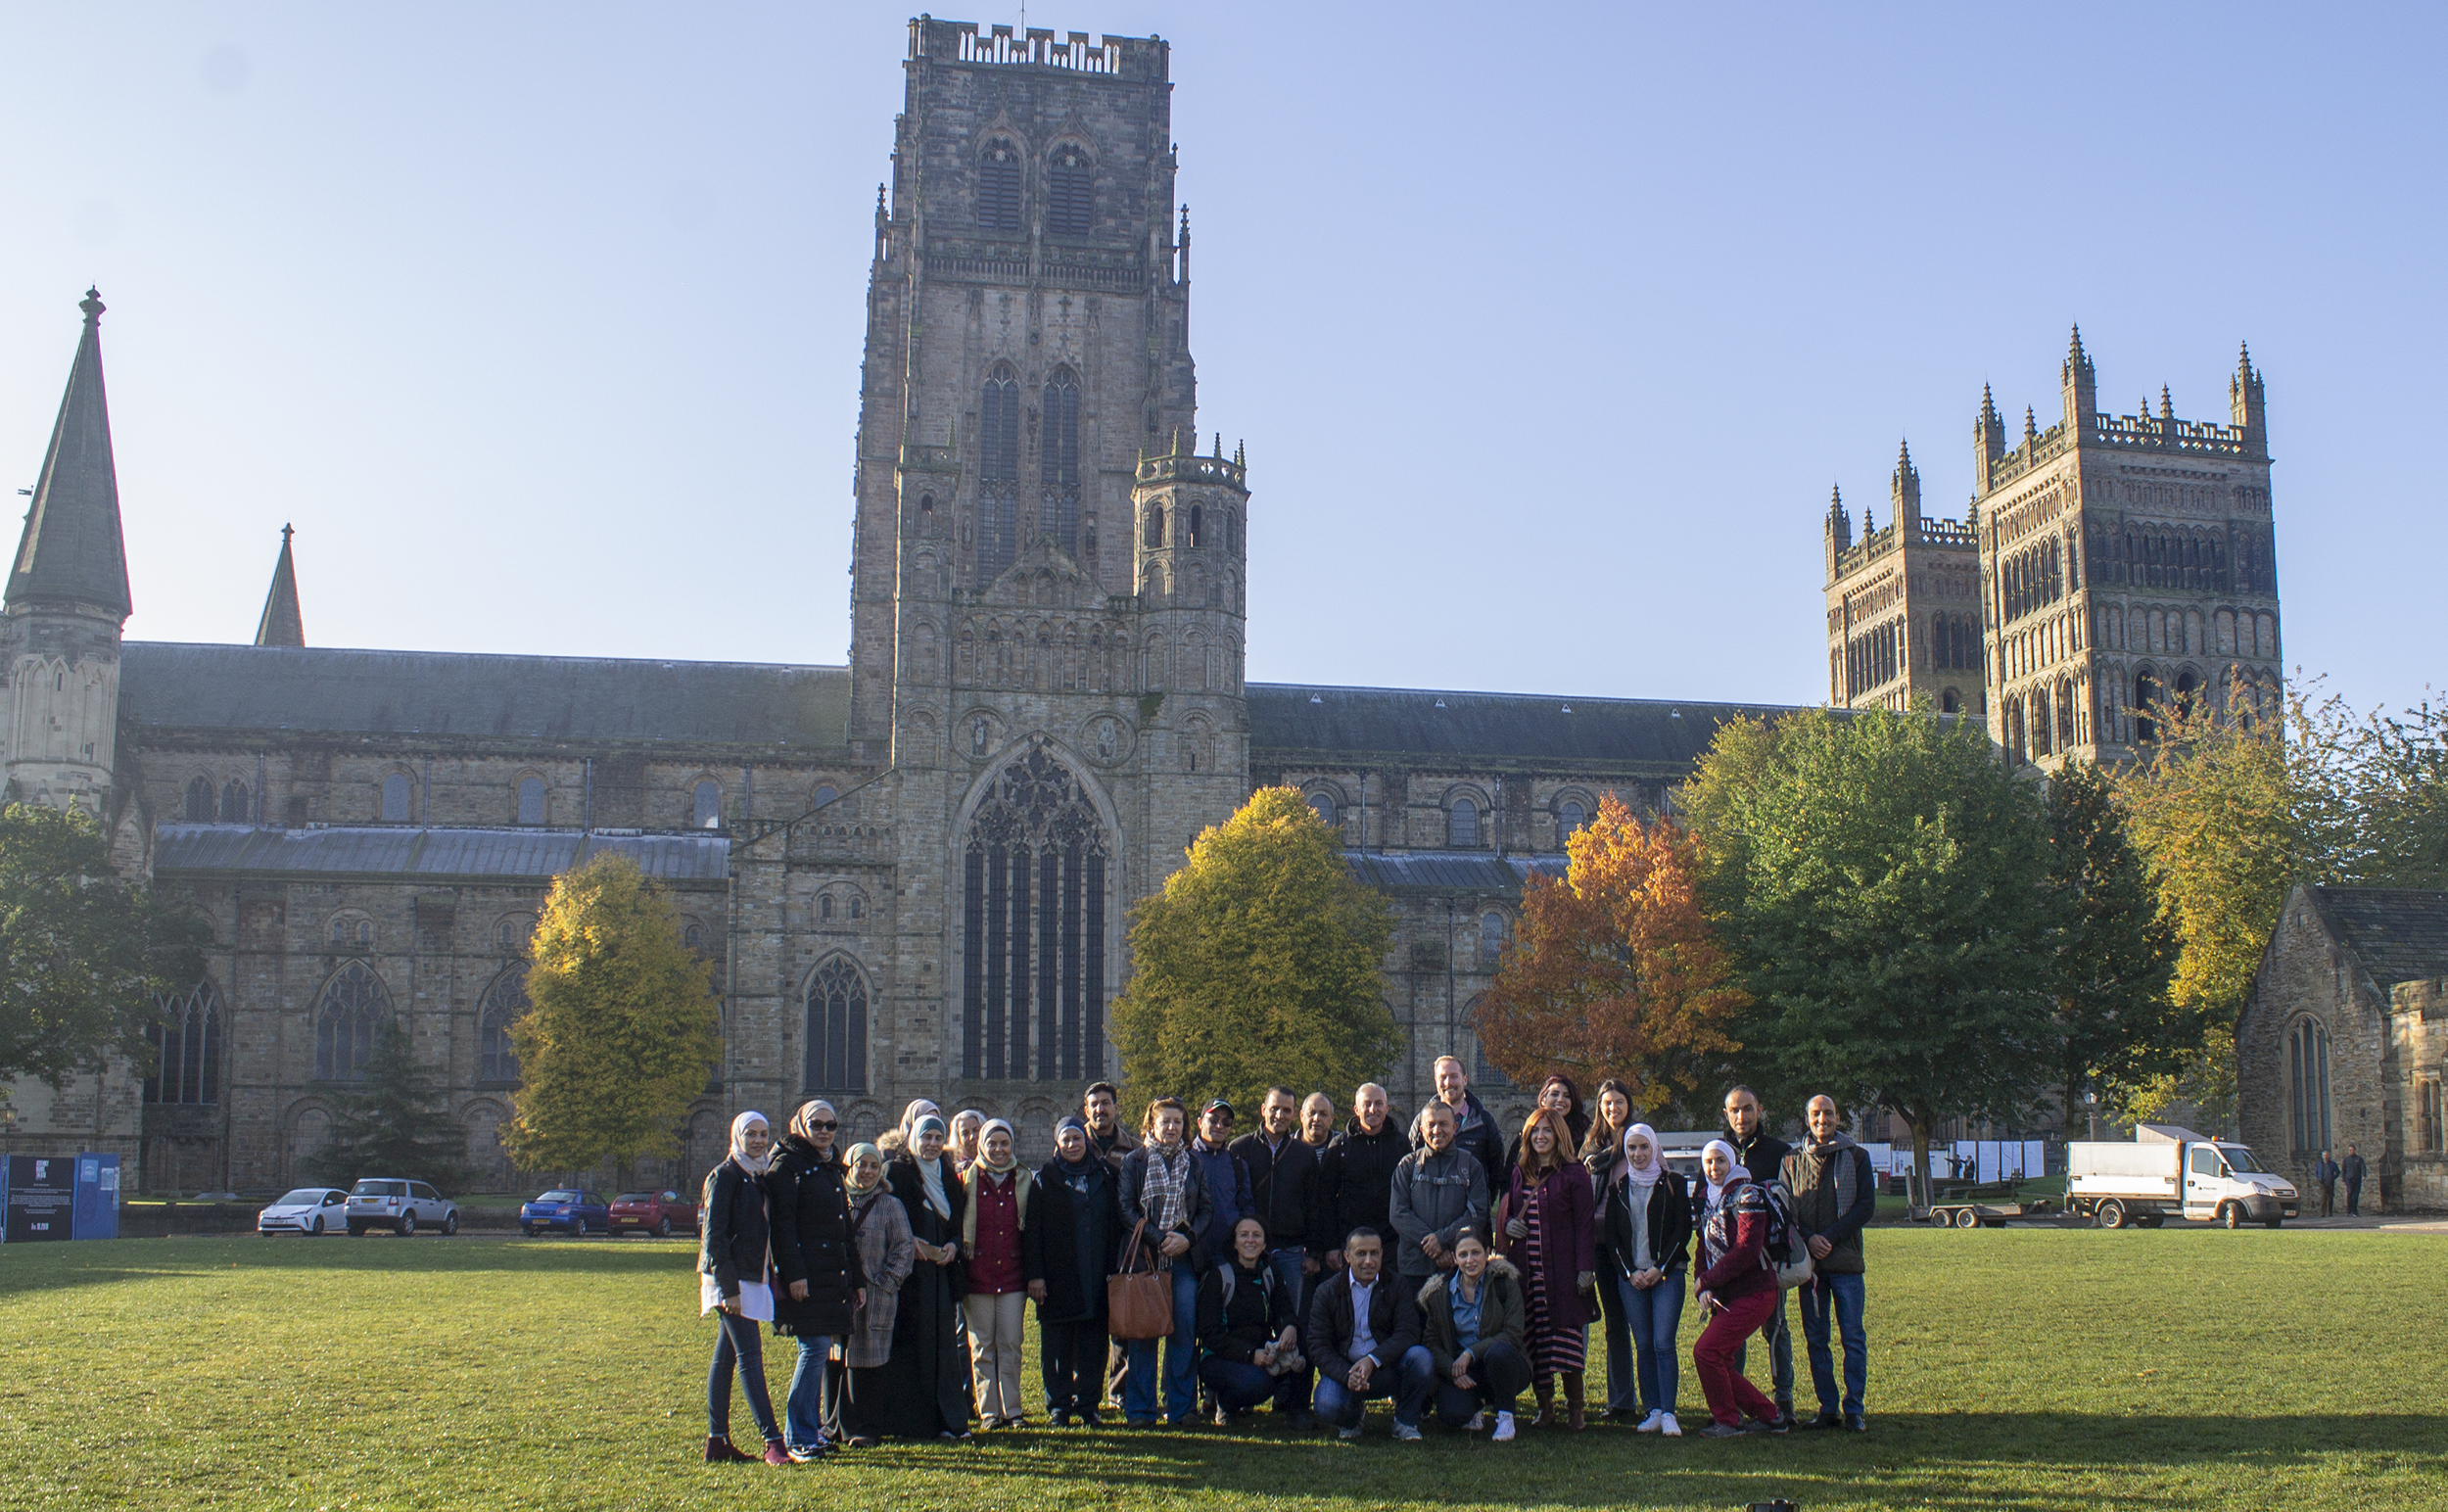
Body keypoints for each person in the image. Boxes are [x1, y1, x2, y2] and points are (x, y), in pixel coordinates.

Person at [770, 1099, 870, 1462]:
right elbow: (783, 1227)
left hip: (832, 1275)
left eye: (831, 1126)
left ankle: (810, 1431)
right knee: (812, 1350)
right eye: (818, 1125)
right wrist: (794, 1275)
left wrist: (856, 1279)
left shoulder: (828, 1167)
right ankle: (798, 1436)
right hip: (807, 1277)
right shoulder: (787, 1167)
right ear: (801, 1126)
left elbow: (844, 1230)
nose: (825, 1132)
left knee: (818, 1350)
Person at [1230, 1086, 1325, 1425]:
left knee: (1294, 1326)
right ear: (1263, 1109)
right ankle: (1234, 1400)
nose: (1280, 1116)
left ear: (1294, 1113)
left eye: (1287, 1110)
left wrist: (1313, 1252)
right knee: (1245, 1321)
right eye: (1275, 1109)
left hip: (1290, 1250)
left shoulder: (1302, 1155)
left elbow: (1315, 1207)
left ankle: (1294, 1402)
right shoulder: (1239, 1149)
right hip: (1249, 1252)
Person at [699, 1110, 789, 1465]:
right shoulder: (725, 1175)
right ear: (737, 1136)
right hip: (731, 1279)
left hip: (751, 1275)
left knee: (725, 1359)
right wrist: (729, 1290)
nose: (757, 1140)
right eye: (750, 1134)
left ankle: (717, 1441)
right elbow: (714, 1238)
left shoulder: (758, 1175)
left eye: (763, 1134)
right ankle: (774, 1442)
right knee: (751, 1357)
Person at [1118, 1096, 1215, 1427]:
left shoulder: (1195, 1163)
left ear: (1185, 1127)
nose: (1171, 1128)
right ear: (1152, 1125)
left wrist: (1187, 1238)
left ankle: (1182, 1408)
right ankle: (1141, 1410)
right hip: (1146, 1260)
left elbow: (1205, 1210)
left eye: (1177, 1122)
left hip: (1184, 1261)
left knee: (1183, 1333)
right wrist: (1159, 1239)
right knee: (1143, 1334)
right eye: (1165, 1122)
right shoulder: (1135, 1161)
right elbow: (1127, 1209)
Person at [1497, 1107, 1596, 1430]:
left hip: (1562, 1271)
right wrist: (1509, 1225)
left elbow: (1584, 1224)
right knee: (1536, 1339)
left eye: (1547, 1131)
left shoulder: (1574, 1174)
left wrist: (1584, 1268)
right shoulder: (1520, 1171)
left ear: (1558, 1135)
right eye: (1534, 1131)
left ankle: (1576, 1408)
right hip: (1528, 1269)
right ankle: (1545, 1406)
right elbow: (1507, 1211)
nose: (1540, 1136)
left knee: (1565, 1339)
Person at [875, 1113, 970, 1440]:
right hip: (909, 1277)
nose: (931, 1144)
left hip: (940, 1274)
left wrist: (954, 1246)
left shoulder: (946, 1173)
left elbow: (957, 1220)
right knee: (911, 1345)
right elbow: (885, 1216)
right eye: (925, 1137)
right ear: (912, 1139)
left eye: (937, 1138)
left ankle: (950, 1420)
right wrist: (908, 1240)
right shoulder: (897, 1171)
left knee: (943, 1345)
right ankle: (912, 1422)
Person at [1782, 1095, 1872, 1433]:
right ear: (1807, 1119)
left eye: (1829, 1113)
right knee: (1817, 1338)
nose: (1823, 1119)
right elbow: (1786, 1209)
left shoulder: (1857, 1157)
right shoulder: (1791, 1160)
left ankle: (1854, 1408)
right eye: (1816, 1114)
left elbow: (1864, 1207)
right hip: (1811, 1268)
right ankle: (1828, 1406)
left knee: (1852, 1338)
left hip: (1846, 1262)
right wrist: (1808, 1237)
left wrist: (1829, 1238)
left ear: (1838, 1117)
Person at [1024, 1114, 1120, 1427]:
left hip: (1096, 1270)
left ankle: (1089, 1403)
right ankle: (1059, 1404)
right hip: (1058, 1273)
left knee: (1093, 1341)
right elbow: (1032, 1231)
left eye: (1076, 1138)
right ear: (1057, 1143)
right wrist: (1035, 1275)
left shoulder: (1106, 1175)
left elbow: (1117, 1223)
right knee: (1057, 1343)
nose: (1071, 1145)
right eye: (1065, 1140)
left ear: (1086, 1140)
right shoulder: (1044, 1179)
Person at [1602, 1121, 1691, 1437]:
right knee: (1643, 1345)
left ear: (1654, 1148)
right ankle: (1652, 1409)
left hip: (1666, 1275)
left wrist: (1661, 1268)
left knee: (1663, 1343)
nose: (1638, 1153)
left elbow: (1683, 1231)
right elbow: (1612, 1236)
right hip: (1633, 1277)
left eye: (1643, 1147)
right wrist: (1629, 1271)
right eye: (1632, 1148)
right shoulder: (1618, 1187)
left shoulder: (1674, 1183)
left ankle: (1669, 1412)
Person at [1689, 1139, 1783, 1438]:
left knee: (1706, 1352)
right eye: (1708, 1162)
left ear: (1733, 1163)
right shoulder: (1708, 1197)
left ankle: (1727, 1421)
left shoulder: (1748, 1194)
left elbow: (1747, 1249)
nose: (1714, 1168)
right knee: (1719, 1360)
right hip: (1727, 1292)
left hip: (1755, 1290)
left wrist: (1707, 1280)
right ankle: (1770, 1416)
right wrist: (1703, 1282)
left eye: (1720, 1161)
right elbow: (1702, 1246)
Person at [1306, 1227, 1435, 1441]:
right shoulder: (1326, 1292)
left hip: (1386, 1367)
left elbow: (1408, 1332)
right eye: (1361, 1253)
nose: (1368, 1261)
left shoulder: (1398, 1285)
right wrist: (1347, 1375)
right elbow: (1318, 1346)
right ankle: (1352, 1418)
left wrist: (1372, 1360)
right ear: (1347, 1256)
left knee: (1421, 1358)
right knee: (1327, 1405)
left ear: (1382, 1254)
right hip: (1345, 1372)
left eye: (1374, 1253)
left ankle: (1405, 1422)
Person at [828, 1142, 915, 1448]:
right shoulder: (836, 1199)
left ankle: (866, 1426)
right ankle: (834, 1424)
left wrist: (887, 1282)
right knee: (835, 1357)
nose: (867, 1172)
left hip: (877, 1295)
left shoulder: (890, 1205)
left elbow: (904, 1246)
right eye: (861, 1165)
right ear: (849, 1167)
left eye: (873, 1166)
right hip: (837, 1294)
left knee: (870, 1361)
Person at [1722, 1084, 1795, 1425]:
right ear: (1726, 1114)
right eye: (1734, 1110)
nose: (1741, 1116)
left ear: (1759, 1110)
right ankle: (1733, 1404)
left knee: (1776, 1329)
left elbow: (1790, 1204)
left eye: (1747, 1109)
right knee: (1731, 1338)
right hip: (1729, 1264)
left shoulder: (1780, 1152)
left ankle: (1785, 1402)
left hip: (1768, 1260)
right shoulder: (1718, 1152)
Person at [1416, 1225, 1530, 1440]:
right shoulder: (1439, 1293)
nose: (1470, 1260)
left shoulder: (1505, 1283)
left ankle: (1505, 1417)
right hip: (1463, 1372)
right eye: (1463, 1254)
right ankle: (1474, 1407)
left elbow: (1512, 1334)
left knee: (1500, 1352)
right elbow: (1431, 1341)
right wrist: (1451, 1369)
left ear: (1488, 1252)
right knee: (1451, 1414)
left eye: (1476, 1253)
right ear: (1454, 1258)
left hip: (1504, 1365)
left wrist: (1470, 1353)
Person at [1195, 1216, 1305, 1425]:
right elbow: (1209, 1333)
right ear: (1234, 1242)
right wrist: (1249, 1354)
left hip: (1263, 1353)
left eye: (1257, 1235)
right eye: (1243, 1235)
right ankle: (1226, 1404)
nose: (1250, 1240)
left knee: (1304, 1344)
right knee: (1259, 1384)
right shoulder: (1219, 1276)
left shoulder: (1269, 1272)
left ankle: (1297, 1412)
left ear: (1264, 1243)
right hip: (1219, 1358)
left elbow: (1285, 1308)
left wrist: (1289, 1326)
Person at [961, 1117, 1030, 1428]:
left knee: (1011, 1344)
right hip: (977, 1274)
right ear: (981, 1146)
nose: (999, 1149)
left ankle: (1013, 1409)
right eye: (993, 1143)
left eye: (1004, 1144)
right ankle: (989, 1411)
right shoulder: (967, 1180)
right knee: (982, 1346)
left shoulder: (1024, 1180)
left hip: (1012, 1274)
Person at [1580, 1078, 1638, 1419]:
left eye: (1618, 1102)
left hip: (1629, 1243)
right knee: (1614, 1323)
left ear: (1628, 1105)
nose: (1613, 1108)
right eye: (1606, 1103)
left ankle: (1650, 1401)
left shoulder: (1636, 1140)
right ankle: (1620, 1400)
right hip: (1597, 1242)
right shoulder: (1590, 1146)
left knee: (1639, 1325)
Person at [1390, 1101, 1490, 1289]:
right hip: (1413, 1269)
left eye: (1443, 1124)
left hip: (1456, 1268)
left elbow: (1477, 1214)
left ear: (1455, 1127)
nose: (1437, 1130)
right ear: (1421, 1129)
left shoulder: (1470, 1166)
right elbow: (1398, 1214)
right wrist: (1433, 1245)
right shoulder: (1407, 1166)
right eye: (1431, 1125)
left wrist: (1444, 1240)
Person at [1318, 1083, 1406, 1267]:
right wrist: (1332, 1245)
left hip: (1391, 1243)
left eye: (1378, 1104)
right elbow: (1325, 1198)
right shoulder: (1339, 1146)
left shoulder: (1401, 1145)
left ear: (1387, 1108)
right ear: (1356, 1109)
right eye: (1366, 1104)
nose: (1372, 1109)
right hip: (1351, 1242)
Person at [1189, 1099, 1256, 1269]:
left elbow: (1246, 1208)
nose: (1219, 1126)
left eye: (1226, 1122)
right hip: (1188, 1252)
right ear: (1200, 1122)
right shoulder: (1183, 1159)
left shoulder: (1237, 1164)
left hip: (1226, 1255)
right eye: (1213, 1120)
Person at [1424, 1055, 1506, 1191]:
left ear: (1465, 1080)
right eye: (1443, 1077)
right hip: (1432, 1209)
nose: (1448, 1082)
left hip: (1472, 1208)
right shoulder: (1421, 1122)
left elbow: (1496, 1169)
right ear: (1436, 1082)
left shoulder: (1484, 1121)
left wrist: (1482, 1204)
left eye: (1454, 1076)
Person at [1502, 1073, 1592, 1173]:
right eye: (1554, 1094)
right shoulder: (1528, 1133)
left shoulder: (1584, 1135)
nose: (1560, 1100)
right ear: (1543, 1100)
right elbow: (1510, 1175)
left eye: (1567, 1096)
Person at [1083, 1081, 1138, 1168]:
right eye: (1094, 1105)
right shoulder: (1073, 1147)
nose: (1099, 1110)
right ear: (1087, 1112)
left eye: (1105, 1103)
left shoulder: (1136, 1149)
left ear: (1116, 1108)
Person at [950, 1109, 986, 1174]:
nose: (972, 1137)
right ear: (958, 1139)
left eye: (976, 1130)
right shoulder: (952, 1170)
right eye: (965, 1133)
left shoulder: (996, 1163)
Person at [2341, 1145, 2367, 1216]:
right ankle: (2349, 1210)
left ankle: (2355, 1211)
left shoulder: (2359, 1159)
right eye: (2349, 1150)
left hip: (2357, 1179)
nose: (2350, 1151)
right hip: (2349, 1179)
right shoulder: (2346, 1159)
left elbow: (2363, 1167)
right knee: (2350, 1194)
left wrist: (2364, 1175)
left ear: (2354, 1150)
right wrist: (2343, 1179)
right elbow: (2343, 1169)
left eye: (2352, 1150)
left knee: (2355, 1195)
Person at [2313, 1150, 2338, 1217]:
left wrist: (2333, 1177)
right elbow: (2316, 1172)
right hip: (2323, 1183)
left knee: (2330, 1198)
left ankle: (2330, 1212)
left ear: (2329, 1156)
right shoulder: (2319, 1164)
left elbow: (2337, 1172)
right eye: (2324, 1156)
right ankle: (2322, 1213)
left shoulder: (2333, 1164)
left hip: (2330, 1182)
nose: (2325, 1157)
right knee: (2323, 1198)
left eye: (2326, 1155)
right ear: (2322, 1156)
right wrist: (2319, 1178)